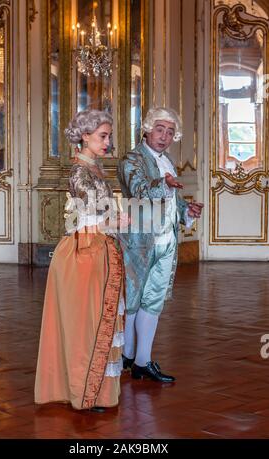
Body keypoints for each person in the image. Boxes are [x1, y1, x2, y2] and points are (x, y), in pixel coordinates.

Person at [35, 109, 127, 412]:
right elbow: (91, 218)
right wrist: (118, 222)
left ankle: (96, 391)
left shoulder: (95, 167)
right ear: (84, 136)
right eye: (103, 136)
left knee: (98, 321)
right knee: (84, 325)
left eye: (109, 136)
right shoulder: (79, 172)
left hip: (97, 248)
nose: (108, 141)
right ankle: (82, 393)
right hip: (83, 252)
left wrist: (116, 221)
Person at [117, 107, 203, 383]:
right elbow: (138, 190)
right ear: (147, 129)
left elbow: (173, 201)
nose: (164, 136)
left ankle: (142, 361)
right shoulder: (132, 159)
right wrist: (163, 183)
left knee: (153, 300)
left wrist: (187, 210)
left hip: (166, 241)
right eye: (159, 129)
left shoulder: (167, 162)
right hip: (138, 241)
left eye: (169, 132)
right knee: (132, 299)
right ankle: (127, 355)